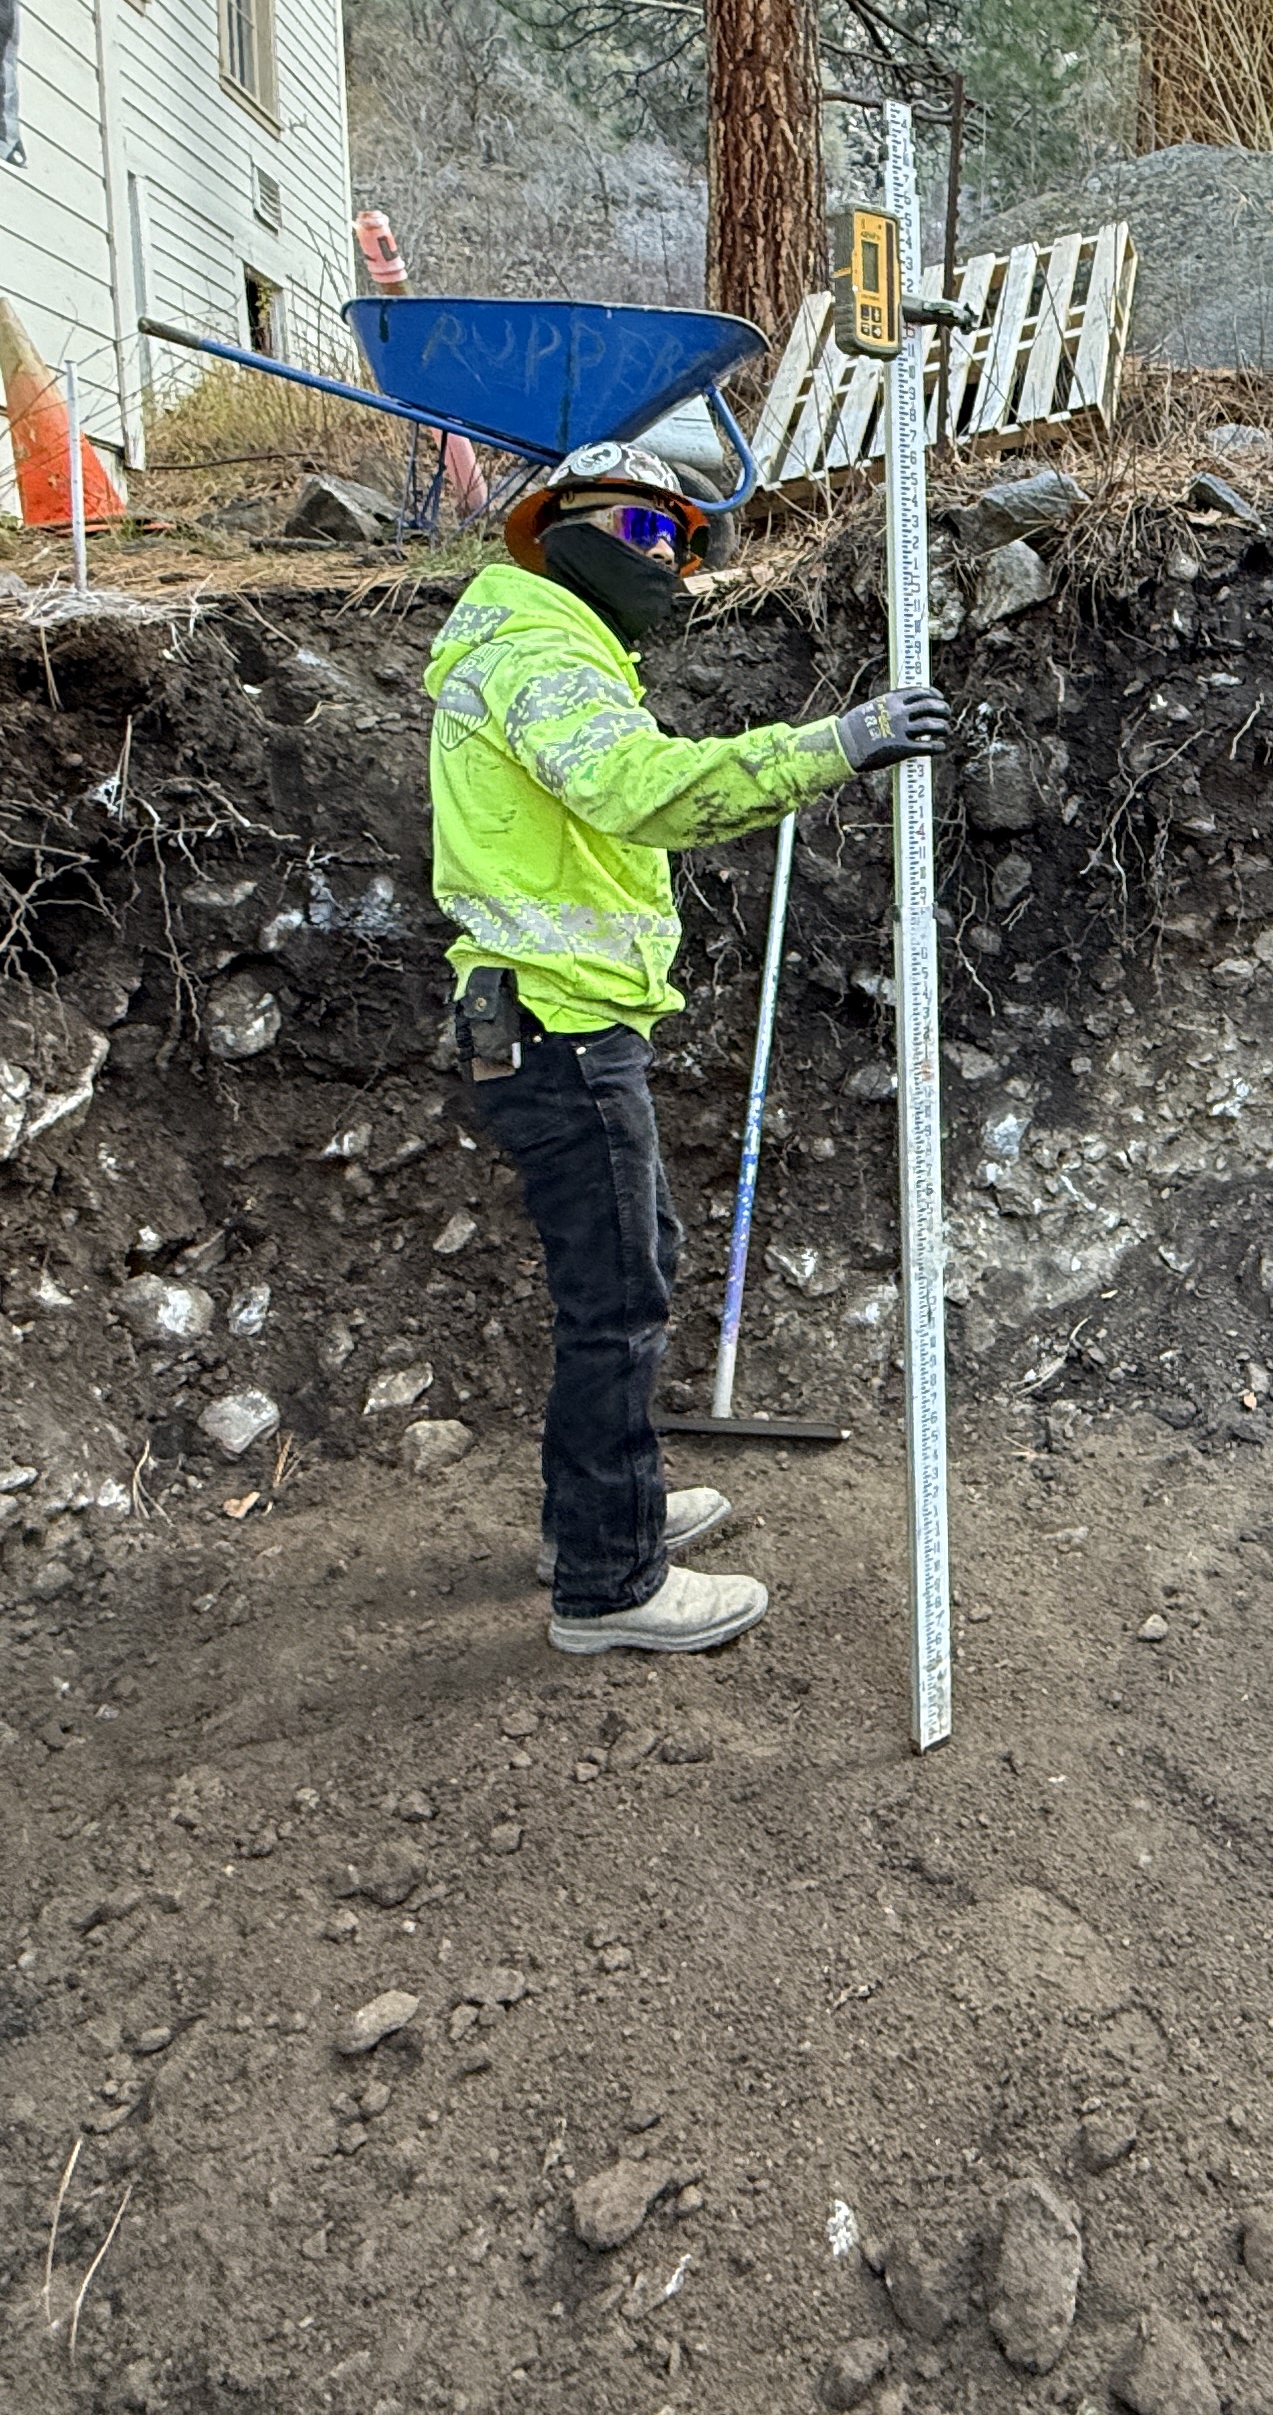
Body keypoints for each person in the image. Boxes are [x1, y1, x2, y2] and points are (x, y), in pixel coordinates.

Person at [425, 441, 949, 1655]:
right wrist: (832, 747)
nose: (670, 558)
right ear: (565, 530)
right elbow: (636, 788)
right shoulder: (542, 652)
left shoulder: (544, 643)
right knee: (617, 1297)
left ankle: (591, 1520)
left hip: (551, 1020)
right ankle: (610, 1586)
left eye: (685, 540)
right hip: (558, 1025)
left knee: (626, 1268)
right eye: (646, 532)